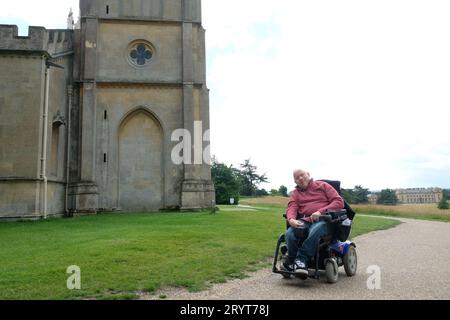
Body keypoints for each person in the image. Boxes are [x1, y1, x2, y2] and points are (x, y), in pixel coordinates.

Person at [282, 169, 344, 275]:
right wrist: (291, 219)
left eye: (302, 175)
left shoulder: (322, 186)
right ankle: (292, 262)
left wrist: (320, 211)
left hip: (325, 220)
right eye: (297, 178)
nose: (300, 178)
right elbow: (292, 207)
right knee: (289, 233)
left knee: (315, 230)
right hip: (305, 220)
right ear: (295, 182)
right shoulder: (295, 193)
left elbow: (339, 202)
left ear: (308, 175)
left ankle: (301, 260)